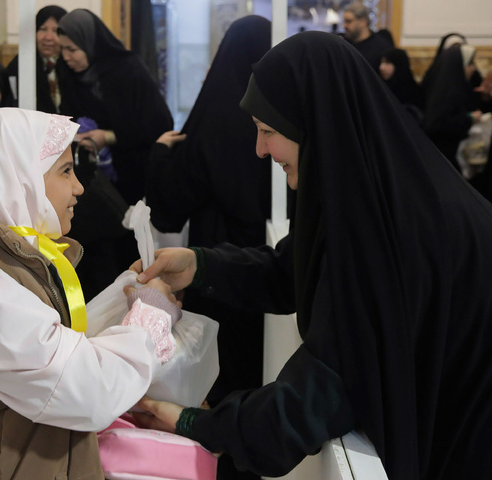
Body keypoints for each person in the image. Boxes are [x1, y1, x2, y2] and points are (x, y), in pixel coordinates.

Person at [131, 31, 492, 480]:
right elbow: (295, 270)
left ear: (313, 124)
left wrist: (192, 421)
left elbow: (322, 391)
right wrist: (200, 264)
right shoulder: (368, 189)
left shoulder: (388, 227)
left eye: (268, 132)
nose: (261, 150)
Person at [0, 108, 181, 478]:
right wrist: (150, 318)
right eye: (65, 171)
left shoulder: (7, 259)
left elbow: (47, 344)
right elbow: (86, 390)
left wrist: (119, 297)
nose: (79, 186)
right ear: (16, 180)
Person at [144, 15, 272, 479]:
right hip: (269, 262)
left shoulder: (219, 108)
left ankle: (218, 447)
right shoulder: (282, 114)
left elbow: (175, 198)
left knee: (221, 367)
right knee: (263, 366)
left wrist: (161, 155)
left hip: (215, 263)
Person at [56, 8, 173, 297]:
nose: (66, 56)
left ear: (91, 43)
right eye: (63, 50)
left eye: (72, 49)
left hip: (127, 175)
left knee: (123, 249)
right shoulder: (66, 72)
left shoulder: (127, 68)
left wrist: (107, 136)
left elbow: (158, 123)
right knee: (93, 254)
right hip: (87, 178)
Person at [422, 43, 482, 170]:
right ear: (460, 65)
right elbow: (438, 124)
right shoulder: (450, 92)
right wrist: (469, 118)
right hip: (442, 159)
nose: (474, 68)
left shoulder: (452, 86)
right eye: (470, 64)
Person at [6, 5, 67, 113]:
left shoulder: (74, 64)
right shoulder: (19, 66)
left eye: (56, 31)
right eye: (42, 29)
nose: (48, 37)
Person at [342, 2, 393, 71]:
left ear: (362, 22)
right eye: (344, 21)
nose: (344, 26)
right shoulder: (344, 44)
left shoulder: (381, 47)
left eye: (348, 21)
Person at [379, 48, 423, 121]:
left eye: (387, 62)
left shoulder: (411, 91)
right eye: (382, 62)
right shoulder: (381, 87)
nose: (381, 67)